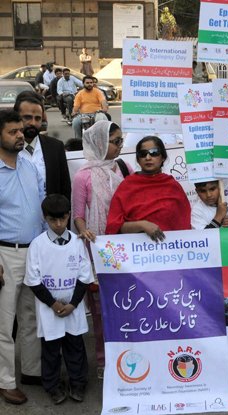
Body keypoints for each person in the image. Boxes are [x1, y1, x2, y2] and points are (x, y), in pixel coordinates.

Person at [71, 121, 130, 378]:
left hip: (123, 247)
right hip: (96, 249)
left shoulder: (123, 168)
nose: (119, 146)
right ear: (100, 143)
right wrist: (84, 231)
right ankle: (104, 362)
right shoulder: (83, 175)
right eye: (115, 141)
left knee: (126, 305)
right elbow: (78, 215)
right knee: (100, 310)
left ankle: (129, 356)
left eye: (120, 141)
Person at [25, 194, 93, 404]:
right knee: (51, 350)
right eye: (53, 220)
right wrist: (53, 304)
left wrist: (73, 304)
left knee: (75, 347)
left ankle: (78, 383)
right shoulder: (37, 245)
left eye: (62, 219)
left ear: (68, 215)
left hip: (74, 306)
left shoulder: (77, 243)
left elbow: (84, 276)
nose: (58, 224)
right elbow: (34, 280)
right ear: (45, 218)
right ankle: (53, 386)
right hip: (49, 308)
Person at [0, 110, 46, 405]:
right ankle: (5, 381)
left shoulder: (29, 166)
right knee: (4, 323)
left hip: (35, 252)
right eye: (13, 132)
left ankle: (32, 370)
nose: (21, 135)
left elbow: (41, 208)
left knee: (31, 317)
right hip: (5, 254)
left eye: (21, 131)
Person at [105, 136, 191, 239]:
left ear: (163, 157)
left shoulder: (173, 187)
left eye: (154, 152)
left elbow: (185, 226)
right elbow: (114, 227)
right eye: (143, 154)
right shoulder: (127, 186)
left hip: (171, 251)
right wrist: (142, 225)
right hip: (137, 251)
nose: (148, 157)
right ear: (138, 159)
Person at [14, 92, 71, 201]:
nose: (33, 123)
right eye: (27, 117)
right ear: (16, 116)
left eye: (38, 118)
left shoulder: (55, 147)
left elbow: (64, 189)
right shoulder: (5, 149)